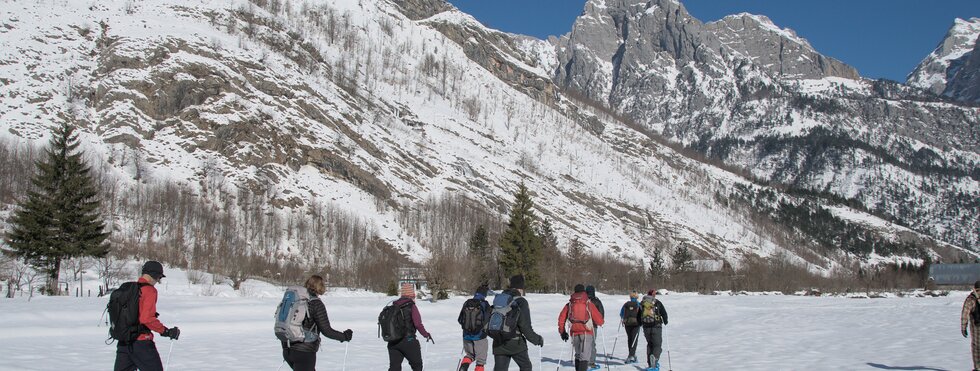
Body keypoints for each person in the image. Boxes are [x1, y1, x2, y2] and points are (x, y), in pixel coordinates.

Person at [113, 261, 180, 371]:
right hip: (141, 343)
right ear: (154, 275)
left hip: (124, 342)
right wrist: (165, 331)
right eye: (159, 277)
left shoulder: (129, 289)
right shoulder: (149, 290)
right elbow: (146, 319)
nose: (158, 280)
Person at [281, 275, 353, 371]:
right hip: (304, 352)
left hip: (287, 349)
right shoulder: (316, 304)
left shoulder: (296, 300)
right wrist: (344, 336)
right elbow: (327, 331)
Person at [491, 275, 544, 371]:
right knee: (526, 367)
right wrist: (537, 339)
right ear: (520, 288)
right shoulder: (521, 302)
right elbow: (525, 327)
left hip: (498, 342)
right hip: (515, 343)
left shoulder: (500, 299)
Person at [558, 284, 605, 371]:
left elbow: (561, 318)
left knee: (578, 354)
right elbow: (599, 320)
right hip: (587, 332)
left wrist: (562, 332)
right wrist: (600, 322)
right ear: (584, 292)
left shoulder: (570, 304)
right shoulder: (588, 303)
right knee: (585, 357)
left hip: (575, 331)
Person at [388, 282, 433, 371]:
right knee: (417, 366)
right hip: (408, 341)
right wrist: (426, 334)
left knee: (394, 368)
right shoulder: (411, 306)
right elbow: (418, 324)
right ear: (411, 294)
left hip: (393, 342)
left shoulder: (393, 306)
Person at [458, 284, 491, 371]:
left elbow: (460, 319)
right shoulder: (484, 304)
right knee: (480, 362)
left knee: (469, 355)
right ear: (484, 295)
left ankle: (463, 368)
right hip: (480, 337)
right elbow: (488, 319)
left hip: (466, 336)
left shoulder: (467, 303)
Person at [639, 290, 668, 371]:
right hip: (656, 326)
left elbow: (639, 315)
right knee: (657, 345)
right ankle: (654, 361)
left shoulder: (642, 303)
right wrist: (665, 321)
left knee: (650, 344)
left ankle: (650, 363)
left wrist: (640, 323)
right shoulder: (657, 302)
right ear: (654, 295)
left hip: (646, 327)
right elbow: (664, 313)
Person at [961, 280, 980, 371]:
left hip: (976, 327)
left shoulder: (971, 299)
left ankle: (977, 367)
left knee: (976, 347)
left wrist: (963, 327)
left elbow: (965, 313)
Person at [585, 285, 604, 370]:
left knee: (585, 343)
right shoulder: (596, 301)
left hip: (584, 324)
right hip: (593, 325)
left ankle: (584, 361)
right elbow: (601, 313)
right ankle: (591, 362)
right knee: (592, 343)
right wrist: (600, 321)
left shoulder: (583, 301)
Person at [619, 291, 641, 364]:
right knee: (634, 339)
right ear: (637, 297)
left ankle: (632, 354)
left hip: (627, 323)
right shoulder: (638, 304)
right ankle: (631, 355)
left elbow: (621, 313)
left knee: (630, 339)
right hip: (636, 324)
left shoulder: (626, 304)